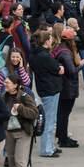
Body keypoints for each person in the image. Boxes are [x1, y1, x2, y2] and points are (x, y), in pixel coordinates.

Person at [2, 73, 38, 167]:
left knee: (20, 161)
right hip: (9, 132)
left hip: (23, 132)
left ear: (15, 85)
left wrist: (21, 108)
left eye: (7, 83)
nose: (5, 84)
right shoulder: (4, 96)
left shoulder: (24, 96)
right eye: (5, 82)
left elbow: (34, 113)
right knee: (11, 161)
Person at [30, 29, 63, 157]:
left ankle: (50, 146)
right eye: (50, 39)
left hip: (43, 88)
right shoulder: (44, 56)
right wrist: (60, 67)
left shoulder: (34, 54)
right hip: (51, 89)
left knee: (49, 119)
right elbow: (58, 69)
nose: (51, 41)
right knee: (49, 121)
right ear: (45, 41)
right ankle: (46, 149)